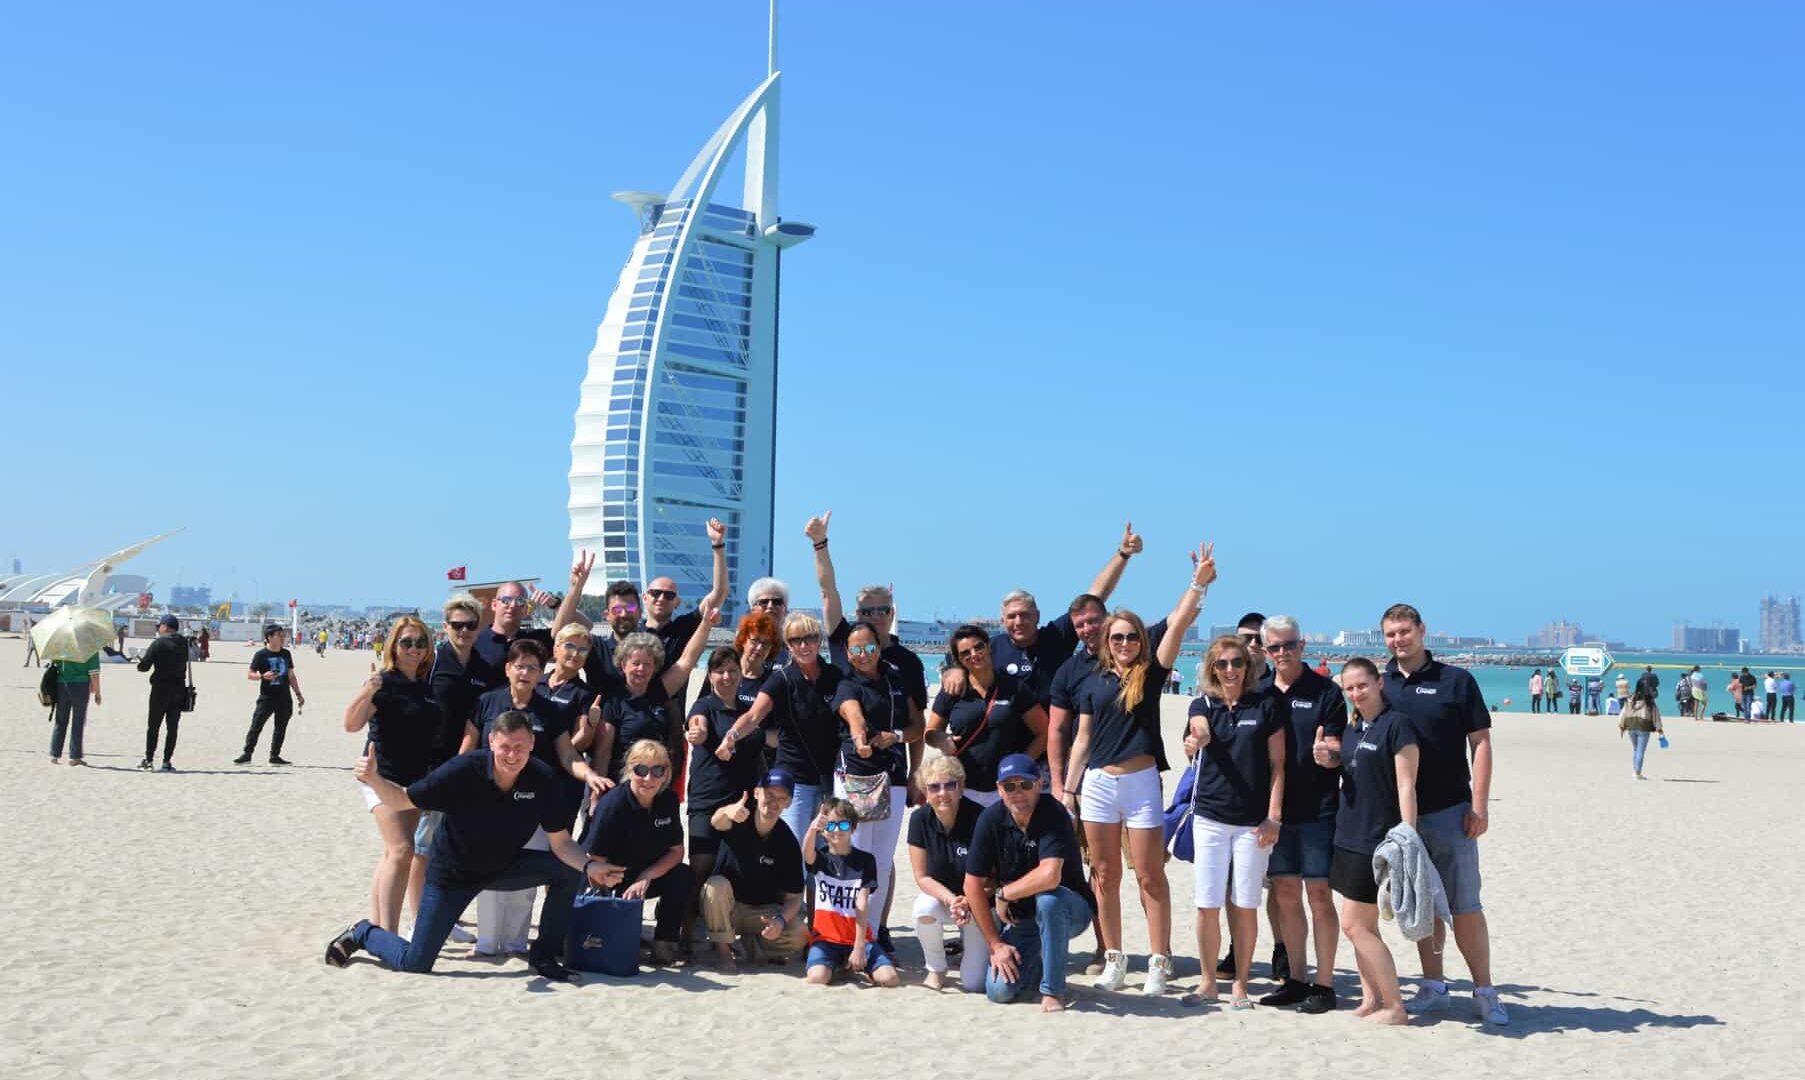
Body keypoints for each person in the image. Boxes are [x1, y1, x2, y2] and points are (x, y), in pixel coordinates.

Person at [324, 711, 623, 980]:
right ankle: (363, 932)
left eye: (520, 747)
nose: (512, 755)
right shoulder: (463, 771)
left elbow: (561, 843)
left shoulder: (542, 779)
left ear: (532, 743)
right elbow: (402, 799)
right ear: (491, 741)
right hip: (452, 875)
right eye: (505, 747)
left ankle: (543, 957)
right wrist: (374, 779)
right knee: (415, 962)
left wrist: (590, 866)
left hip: (504, 867)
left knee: (567, 872)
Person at [1061, 541, 1215, 996]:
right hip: (1097, 785)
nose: (1125, 644)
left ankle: (1158, 961)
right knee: (1104, 875)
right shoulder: (1091, 681)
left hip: (1142, 783)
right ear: (1106, 643)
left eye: (1131, 637)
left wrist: (1197, 585)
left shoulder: (1150, 673)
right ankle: (1113, 958)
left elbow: (1178, 623)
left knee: (1149, 875)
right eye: (1117, 638)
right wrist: (1068, 790)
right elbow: (1082, 740)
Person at [1379, 603, 1507, 1025]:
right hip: (1402, 820)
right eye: (1391, 634)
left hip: (1452, 812)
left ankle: (1485, 991)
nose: (1398, 640)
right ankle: (1433, 986)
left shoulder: (1456, 681)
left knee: (1465, 905)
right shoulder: (1382, 685)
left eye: (1404, 631)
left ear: (1422, 630)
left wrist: (1479, 805)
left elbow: (1481, 743)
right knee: (1422, 905)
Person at [459, 639, 611, 957]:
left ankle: (515, 944)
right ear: (507, 669)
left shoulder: (549, 710)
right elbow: (467, 750)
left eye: (532, 667)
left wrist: (590, 775)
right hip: (488, 803)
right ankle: (487, 943)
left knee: (526, 878)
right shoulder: (487, 701)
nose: (525, 673)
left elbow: (567, 755)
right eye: (520, 666)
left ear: (541, 673)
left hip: (533, 805)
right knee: (488, 874)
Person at [1183, 635, 1285, 1009]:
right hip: (1210, 818)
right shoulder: (1202, 704)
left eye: (1237, 662)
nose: (1230, 670)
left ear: (1247, 666)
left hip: (1253, 824)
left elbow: (1278, 765)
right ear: (1212, 668)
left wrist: (1274, 817)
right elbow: (1198, 729)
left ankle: (1241, 983)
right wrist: (1196, 738)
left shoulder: (1265, 705)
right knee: (1207, 904)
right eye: (1222, 663)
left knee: (1245, 904)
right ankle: (1208, 982)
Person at [942, 524, 1142, 709]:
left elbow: (1095, 597)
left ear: (1037, 616)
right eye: (1011, 617)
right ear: (1003, 621)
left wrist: (1123, 554)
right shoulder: (992, 648)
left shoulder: (1056, 636)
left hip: (1051, 731)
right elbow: (962, 657)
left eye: (1025, 615)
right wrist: (954, 670)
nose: (1019, 622)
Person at [1256, 615, 1347, 1013]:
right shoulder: (1258, 692)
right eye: (1275, 647)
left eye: (1290, 645)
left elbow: (1340, 746)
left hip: (1318, 810)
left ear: (1302, 646)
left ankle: (1324, 984)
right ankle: (1295, 979)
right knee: (1285, 893)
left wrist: (1331, 755)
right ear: (1265, 651)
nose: (1283, 653)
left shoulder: (1326, 691)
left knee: (1320, 895)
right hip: (1273, 813)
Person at [963, 753, 1096, 1011]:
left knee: (1049, 900)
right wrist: (995, 945)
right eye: (1009, 786)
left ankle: (1053, 991)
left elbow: (1050, 875)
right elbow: (972, 885)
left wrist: (1004, 894)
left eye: (1024, 784)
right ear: (999, 789)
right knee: (998, 991)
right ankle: (1038, 964)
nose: (1017, 793)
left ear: (1039, 784)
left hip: (1071, 909)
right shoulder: (990, 819)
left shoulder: (1053, 813)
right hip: (1024, 919)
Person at [1328, 657, 1419, 1025]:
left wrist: (1407, 836)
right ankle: (1371, 998)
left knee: (1354, 925)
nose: (1356, 693)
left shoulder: (1397, 725)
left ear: (1379, 683)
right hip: (1347, 834)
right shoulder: (1353, 727)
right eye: (1349, 688)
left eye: (1362, 685)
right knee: (1364, 926)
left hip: (1377, 840)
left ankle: (1395, 1006)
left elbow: (1406, 785)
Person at [831, 620, 925, 941]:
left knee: (882, 862)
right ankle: (850, 936)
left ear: (879, 648)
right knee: (855, 855)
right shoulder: (847, 684)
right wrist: (861, 739)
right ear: (848, 653)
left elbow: (918, 727)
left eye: (869, 647)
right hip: (856, 777)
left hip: (893, 777)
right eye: (856, 649)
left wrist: (895, 737)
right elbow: (853, 716)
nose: (863, 654)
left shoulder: (896, 679)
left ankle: (872, 933)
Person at [344, 617, 440, 931]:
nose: (414, 649)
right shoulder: (383, 683)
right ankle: (389, 934)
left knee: (392, 853)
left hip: (413, 782)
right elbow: (351, 724)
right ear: (394, 646)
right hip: (380, 776)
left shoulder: (424, 687)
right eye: (407, 642)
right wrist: (367, 691)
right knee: (402, 850)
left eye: (420, 642)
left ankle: (376, 927)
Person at [719, 612, 844, 842]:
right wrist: (732, 736)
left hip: (831, 778)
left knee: (828, 847)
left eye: (810, 638)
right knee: (796, 844)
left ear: (819, 640)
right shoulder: (782, 679)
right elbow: (753, 715)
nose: (804, 645)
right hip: (795, 779)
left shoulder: (835, 676)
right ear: (788, 645)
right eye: (796, 640)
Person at [585, 740, 694, 965]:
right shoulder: (613, 804)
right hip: (611, 876)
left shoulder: (668, 799)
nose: (648, 778)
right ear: (629, 770)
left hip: (645, 875)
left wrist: (647, 876)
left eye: (657, 771)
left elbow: (677, 851)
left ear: (666, 774)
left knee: (683, 875)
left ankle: (664, 944)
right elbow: (594, 863)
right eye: (641, 770)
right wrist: (613, 882)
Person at [927, 625, 1049, 806]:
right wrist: (941, 739)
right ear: (959, 660)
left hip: (1005, 788)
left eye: (978, 647)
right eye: (965, 653)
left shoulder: (1014, 688)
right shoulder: (953, 690)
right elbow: (929, 732)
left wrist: (1020, 765)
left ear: (988, 646)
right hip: (961, 787)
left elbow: (1044, 732)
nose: (974, 654)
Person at [700, 768, 809, 971]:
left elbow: (794, 897)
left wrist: (779, 920)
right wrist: (727, 811)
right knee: (715, 885)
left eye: (781, 798)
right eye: (769, 794)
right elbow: (716, 822)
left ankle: (752, 943)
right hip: (728, 908)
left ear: (788, 803)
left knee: (800, 935)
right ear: (757, 793)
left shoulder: (788, 842)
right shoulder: (739, 817)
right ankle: (723, 952)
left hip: (761, 913)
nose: (773, 802)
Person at [593, 608, 716, 781]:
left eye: (647, 664)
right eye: (636, 663)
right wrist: (597, 791)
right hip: (624, 783)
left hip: (657, 782)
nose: (641, 669)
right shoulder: (613, 701)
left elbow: (688, 659)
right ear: (623, 665)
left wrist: (707, 624)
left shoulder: (659, 692)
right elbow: (602, 753)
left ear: (655, 667)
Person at [685, 646, 767, 903]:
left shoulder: (749, 711)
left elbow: (763, 745)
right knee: (700, 868)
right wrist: (697, 733)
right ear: (710, 676)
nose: (727, 677)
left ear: (741, 674)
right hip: (707, 799)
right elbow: (697, 725)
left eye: (732, 670)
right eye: (720, 671)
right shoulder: (704, 705)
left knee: (737, 869)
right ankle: (685, 923)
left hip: (743, 800)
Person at [907, 754, 987, 991]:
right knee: (923, 908)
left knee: (974, 983)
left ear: (960, 787)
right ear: (925, 792)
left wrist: (969, 900)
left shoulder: (981, 818)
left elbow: (993, 875)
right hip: (947, 901)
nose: (942, 793)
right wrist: (952, 901)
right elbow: (922, 877)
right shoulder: (919, 819)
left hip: (980, 901)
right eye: (934, 787)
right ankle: (936, 967)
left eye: (949, 785)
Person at [800, 797, 899, 987]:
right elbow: (807, 854)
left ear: (853, 829)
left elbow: (862, 904)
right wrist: (813, 828)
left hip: (857, 938)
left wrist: (859, 946)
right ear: (823, 830)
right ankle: (839, 966)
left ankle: (853, 963)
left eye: (843, 825)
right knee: (817, 978)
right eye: (830, 825)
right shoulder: (821, 858)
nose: (837, 830)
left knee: (889, 979)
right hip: (826, 939)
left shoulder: (865, 860)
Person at [235, 625, 304, 765]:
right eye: (279, 635)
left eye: (283, 635)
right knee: (256, 726)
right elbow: (250, 674)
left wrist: (298, 694)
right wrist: (262, 676)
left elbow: (291, 676)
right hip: (267, 697)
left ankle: (274, 756)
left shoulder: (286, 654)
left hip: (284, 697)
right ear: (269, 637)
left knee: (280, 728)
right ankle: (247, 754)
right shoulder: (261, 655)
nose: (283, 637)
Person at [468, 581, 554, 692]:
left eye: (520, 601)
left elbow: (572, 629)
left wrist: (555, 604)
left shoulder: (535, 642)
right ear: (494, 605)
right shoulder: (474, 641)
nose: (513, 605)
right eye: (506, 600)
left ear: (526, 609)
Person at [136, 613, 188, 771]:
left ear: (165, 627)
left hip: (160, 689)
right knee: (172, 728)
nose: (159, 629)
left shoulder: (158, 643)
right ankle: (166, 761)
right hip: (178, 690)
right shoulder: (183, 643)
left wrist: (140, 661)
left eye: (160, 626)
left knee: (153, 726)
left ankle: (149, 759)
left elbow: (144, 667)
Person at [50, 649, 102, 766]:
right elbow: (94, 673)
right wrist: (98, 693)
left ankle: (54, 754)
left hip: (62, 684)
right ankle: (75, 757)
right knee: (78, 721)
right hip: (81, 685)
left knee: (60, 720)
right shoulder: (90, 647)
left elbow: (55, 663)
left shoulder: (63, 644)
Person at [1618, 686, 1664, 780]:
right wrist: (1659, 730)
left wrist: (1621, 726)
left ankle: (1635, 771)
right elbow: (1656, 716)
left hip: (1631, 726)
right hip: (1643, 726)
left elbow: (1623, 713)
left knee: (1636, 749)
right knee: (1640, 751)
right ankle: (1637, 773)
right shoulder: (1649, 701)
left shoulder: (1630, 700)